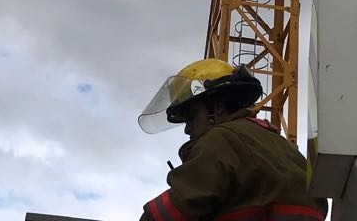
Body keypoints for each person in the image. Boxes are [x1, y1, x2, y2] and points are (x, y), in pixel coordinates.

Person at [138, 59, 328, 221]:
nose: (187, 128)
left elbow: (172, 210)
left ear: (218, 108)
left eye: (192, 116)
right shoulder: (281, 146)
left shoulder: (222, 139)